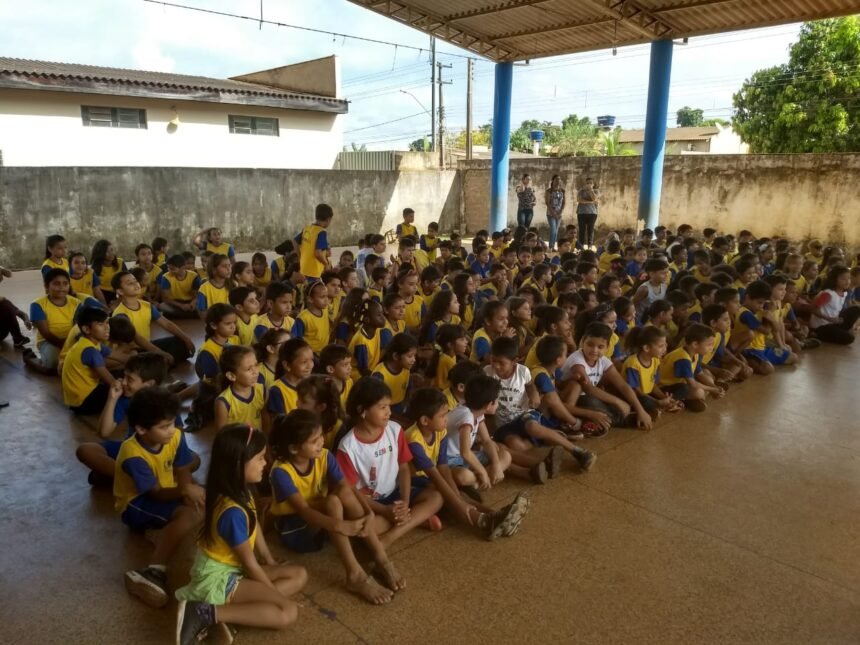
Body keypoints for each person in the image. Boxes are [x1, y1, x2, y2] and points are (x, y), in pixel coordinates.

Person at [175, 425, 306, 644]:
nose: (266, 463)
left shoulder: (239, 489)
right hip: (218, 578)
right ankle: (205, 613)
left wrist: (271, 560)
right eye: (260, 458)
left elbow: (254, 528)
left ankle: (236, 611)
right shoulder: (232, 512)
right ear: (238, 464)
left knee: (299, 574)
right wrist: (276, 597)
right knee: (288, 612)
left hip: (232, 570)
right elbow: (250, 565)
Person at [268, 409, 397, 605]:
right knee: (333, 501)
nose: (321, 442)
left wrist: (369, 512)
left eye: (321, 436)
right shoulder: (281, 472)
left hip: (325, 519)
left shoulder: (324, 456)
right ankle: (354, 574)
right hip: (296, 529)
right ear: (294, 448)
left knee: (341, 495)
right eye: (314, 441)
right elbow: (303, 510)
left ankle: (381, 558)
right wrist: (339, 526)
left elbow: (348, 487)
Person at [114, 386, 203, 609]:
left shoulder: (175, 436)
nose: (172, 430)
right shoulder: (132, 453)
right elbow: (154, 492)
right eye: (164, 427)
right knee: (190, 514)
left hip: (166, 489)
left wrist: (187, 493)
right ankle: (153, 570)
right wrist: (185, 493)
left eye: (173, 423)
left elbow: (182, 468)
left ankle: (165, 531)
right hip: (136, 503)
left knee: (206, 499)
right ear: (141, 429)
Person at [405, 388, 531, 540]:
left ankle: (495, 515)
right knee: (452, 498)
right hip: (413, 482)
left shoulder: (439, 431)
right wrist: (457, 501)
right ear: (425, 420)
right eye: (442, 416)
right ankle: (485, 522)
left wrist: (456, 494)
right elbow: (434, 474)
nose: (446, 419)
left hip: (431, 477)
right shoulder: (413, 439)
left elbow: (443, 466)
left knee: (458, 495)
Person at [336, 378, 444, 549]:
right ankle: (414, 519)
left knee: (436, 497)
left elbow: (403, 468)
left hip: (395, 494)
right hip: (369, 503)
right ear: (362, 411)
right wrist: (385, 511)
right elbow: (351, 490)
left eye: (389, 406)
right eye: (382, 407)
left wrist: (405, 502)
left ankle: (389, 537)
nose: (389, 412)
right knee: (364, 526)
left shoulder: (394, 429)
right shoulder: (348, 446)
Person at [112, 271, 195, 366]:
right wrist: (161, 353)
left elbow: (167, 324)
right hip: (133, 351)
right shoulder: (120, 314)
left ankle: (162, 365)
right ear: (120, 291)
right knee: (143, 359)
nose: (136, 284)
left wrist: (187, 339)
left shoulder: (146, 305)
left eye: (135, 281)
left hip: (147, 346)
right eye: (130, 283)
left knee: (181, 342)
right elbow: (137, 338)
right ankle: (160, 365)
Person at [24, 268, 81, 374]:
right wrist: (65, 346)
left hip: (70, 339)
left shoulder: (76, 303)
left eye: (65, 284)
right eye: (56, 284)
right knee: (52, 365)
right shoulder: (37, 305)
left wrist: (73, 344)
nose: (61, 288)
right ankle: (30, 359)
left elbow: (77, 328)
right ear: (46, 286)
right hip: (48, 342)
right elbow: (46, 333)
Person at [61, 306, 116, 415]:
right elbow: (111, 382)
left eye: (107, 322)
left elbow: (118, 356)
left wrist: (137, 357)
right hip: (83, 402)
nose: (107, 327)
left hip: (77, 399)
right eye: (100, 324)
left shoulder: (89, 343)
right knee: (126, 392)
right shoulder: (89, 351)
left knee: (124, 378)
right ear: (86, 329)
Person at [214, 345, 265, 430]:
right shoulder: (223, 402)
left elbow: (266, 421)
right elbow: (221, 435)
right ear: (231, 376)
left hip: (257, 441)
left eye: (256, 365)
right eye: (248, 369)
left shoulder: (262, 391)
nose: (255, 372)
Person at [296, 203, 333, 281]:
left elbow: (294, 241)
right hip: (314, 270)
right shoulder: (321, 232)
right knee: (315, 290)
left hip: (304, 268)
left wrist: (300, 256)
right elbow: (318, 253)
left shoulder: (307, 228)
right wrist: (326, 264)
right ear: (328, 219)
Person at [575, 178, 600, 249]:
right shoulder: (581, 191)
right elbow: (579, 200)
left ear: (593, 184)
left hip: (592, 213)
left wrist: (590, 190)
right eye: (587, 183)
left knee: (590, 229)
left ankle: (590, 246)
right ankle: (581, 246)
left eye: (590, 183)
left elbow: (594, 198)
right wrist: (591, 202)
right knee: (582, 229)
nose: (589, 184)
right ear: (585, 184)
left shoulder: (596, 191)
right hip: (581, 212)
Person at [545, 175, 566, 251]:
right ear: (552, 180)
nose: (558, 181)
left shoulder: (562, 191)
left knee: (556, 231)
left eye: (559, 179)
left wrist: (560, 212)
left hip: (559, 213)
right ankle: (550, 246)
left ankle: (553, 246)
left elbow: (564, 203)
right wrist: (554, 213)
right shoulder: (549, 191)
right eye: (556, 179)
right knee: (553, 229)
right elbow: (547, 203)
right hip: (551, 213)